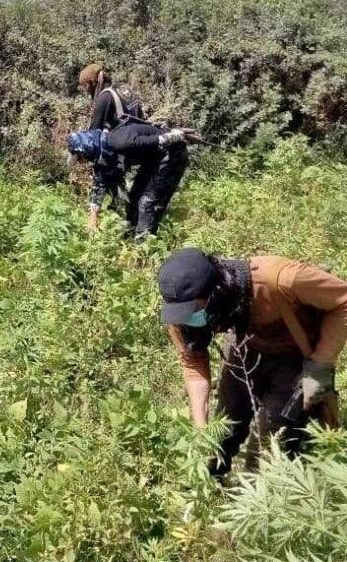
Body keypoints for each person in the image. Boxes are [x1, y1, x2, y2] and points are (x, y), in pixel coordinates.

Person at [158, 248, 346, 476]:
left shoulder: (279, 279)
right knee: (225, 424)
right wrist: (201, 429)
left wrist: (320, 365)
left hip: (294, 356)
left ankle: (255, 493)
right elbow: (193, 363)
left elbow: (342, 302)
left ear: (216, 291)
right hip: (245, 346)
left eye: (194, 309)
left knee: (275, 434)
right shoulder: (180, 311)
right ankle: (213, 481)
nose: (187, 317)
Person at [66, 120, 189, 243]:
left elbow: (160, 139)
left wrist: (175, 134)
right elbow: (99, 183)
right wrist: (93, 214)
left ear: (87, 148)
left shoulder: (120, 142)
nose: (81, 162)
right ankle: (130, 238)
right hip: (153, 158)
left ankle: (143, 248)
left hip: (172, 154)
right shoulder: (103, 154)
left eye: (80, 158)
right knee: (134, 197)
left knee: (146, 203)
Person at [78, 63, 146, 230]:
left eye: (86, 86)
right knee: (127, 191)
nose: (86, 91)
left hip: (120, 149)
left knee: (100, 170)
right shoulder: (125, 89)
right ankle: (128, 224)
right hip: (137, 149)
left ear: (91, 83)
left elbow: (94, 133)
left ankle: (95, 224)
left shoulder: (105, 97)